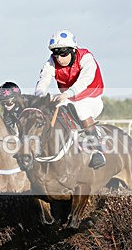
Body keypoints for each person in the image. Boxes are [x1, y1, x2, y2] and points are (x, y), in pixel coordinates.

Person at [34, 30, 106, 169]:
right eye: (56, 54)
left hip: (91, 99)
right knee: (50, 110)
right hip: (69, 98)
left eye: (63, 54)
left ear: (73, 50)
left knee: (81, 108)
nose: (59, 58)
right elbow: (44, 79)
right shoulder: (52, 62)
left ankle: (98, 151)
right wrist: (40, 96)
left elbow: (85, 80)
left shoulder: (86, 58)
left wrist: (67, 94)